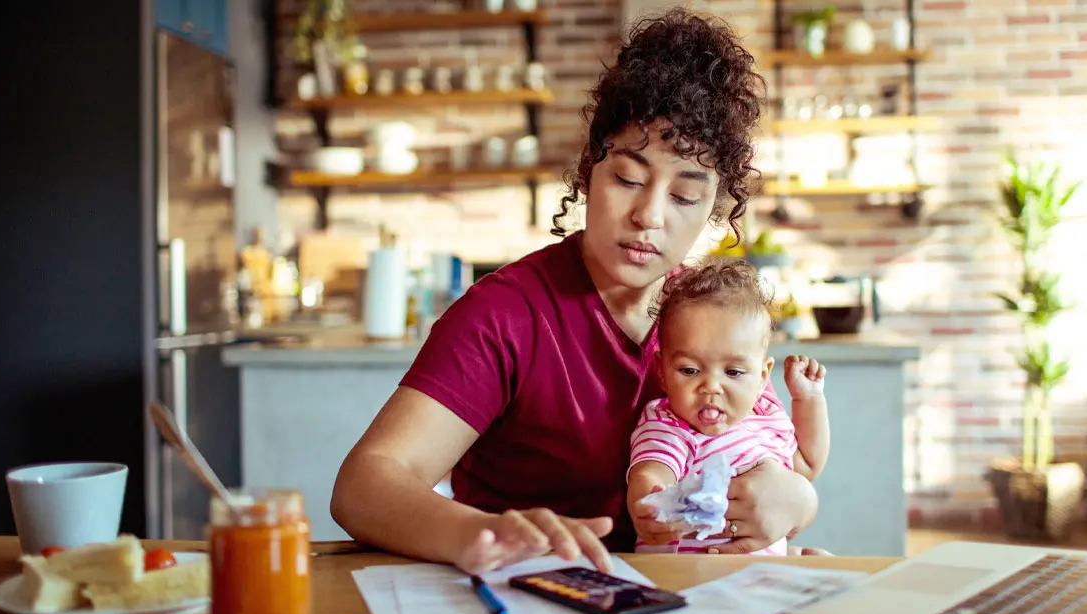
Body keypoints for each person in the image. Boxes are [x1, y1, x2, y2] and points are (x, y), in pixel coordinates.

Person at [329, 8, 827, 575]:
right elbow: (364, 485)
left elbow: (767, 453)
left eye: (686, 197)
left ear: (713, 208)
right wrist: (478, 532)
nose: (648, 216)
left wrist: (797, 502)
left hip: (688, 600)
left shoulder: (709, 315)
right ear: (588, 170)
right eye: (628, 179)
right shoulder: (506, 315)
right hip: (532, 595)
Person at [626, 258, 829, 555]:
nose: (711, 387)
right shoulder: (669, 424)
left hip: (759, 572)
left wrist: (808, 400)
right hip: (692, 573)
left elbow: (807, 466)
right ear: (662, 371)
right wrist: (647, 502)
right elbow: (652, 471)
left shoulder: (764, 416)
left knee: (820, 560)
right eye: (690, 370)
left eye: (733, 372)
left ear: (762, 376)